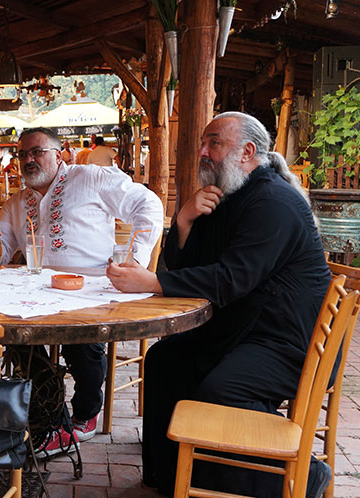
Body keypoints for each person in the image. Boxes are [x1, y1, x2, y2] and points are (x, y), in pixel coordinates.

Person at [106, 112, 333, 498]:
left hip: (289, 342)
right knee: (164, 360)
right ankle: (171, 476)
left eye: (214, 143)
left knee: (220, 392)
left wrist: (153, 282)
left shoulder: (273, 202)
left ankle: (303, 475)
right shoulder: (230, 195)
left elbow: (231, 279)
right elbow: (191, 267)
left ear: (247, 151)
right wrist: (183, 220)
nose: (202, 151)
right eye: (203, 143)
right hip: (245, 329)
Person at [0, 127, 163, 454]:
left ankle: (85, 415)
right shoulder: (17, 203)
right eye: (22, 154)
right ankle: (50, 419)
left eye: (37, 152)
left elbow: (148, 204)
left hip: (91, 291)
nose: (28, 160)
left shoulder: (91, 178)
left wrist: (136, 259)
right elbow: (1, 251)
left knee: (81, 340)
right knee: (15, 336)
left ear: (58, 155)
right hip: (35, 292)